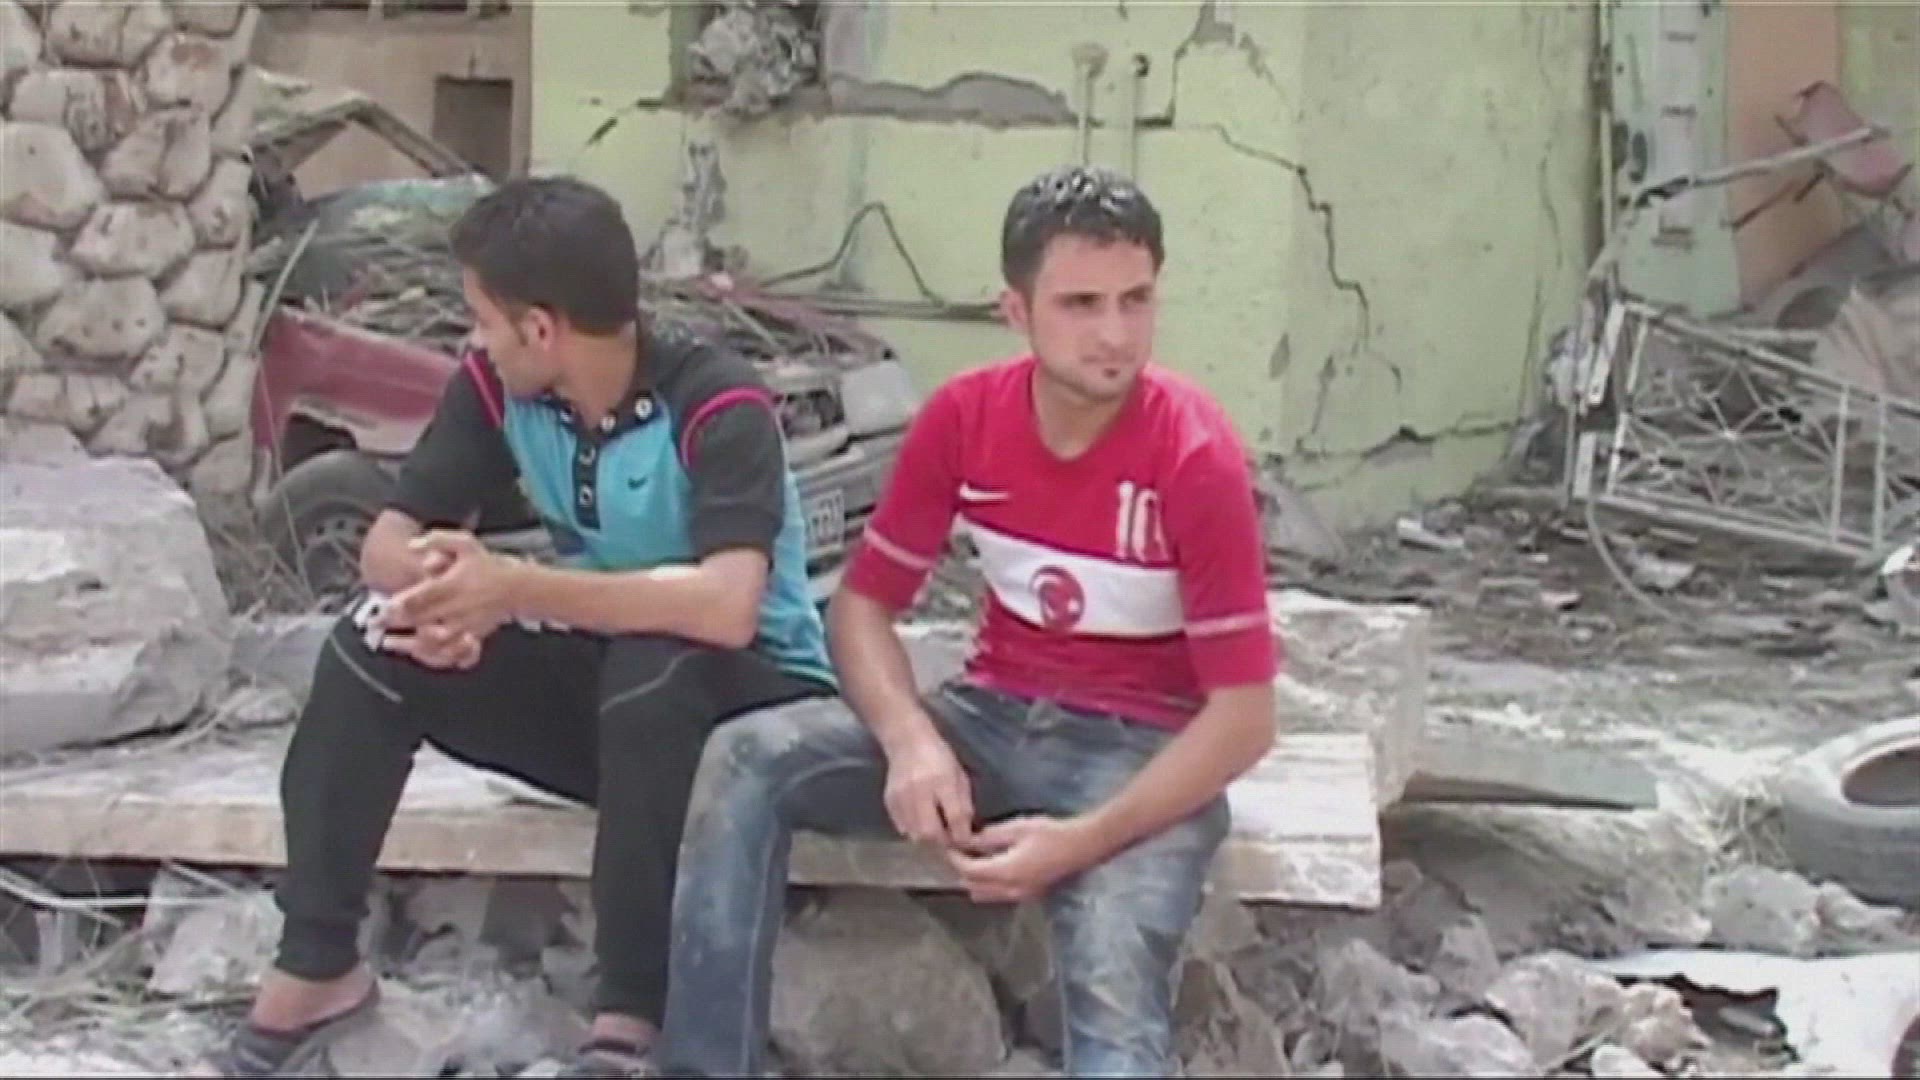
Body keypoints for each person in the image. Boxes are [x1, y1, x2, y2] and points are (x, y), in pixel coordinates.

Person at [199, 176, 835, 1079]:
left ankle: (632, 1015)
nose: (475, 341)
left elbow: (728, 606)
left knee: (654, 667)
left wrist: (515, 589)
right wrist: (442, 599)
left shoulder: (718, 403)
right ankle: (315, 967)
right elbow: (388, 538)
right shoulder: (499, 392)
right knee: (373, 642)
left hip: (751, 704)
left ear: (541, 329)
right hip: (617, 704)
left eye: (484, 320)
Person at [656, 164, 1281, 1078]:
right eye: (1080, 304)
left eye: (1136, 299)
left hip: (1141, 754)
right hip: (988, 718)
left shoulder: (1195, 453)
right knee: (746, 756)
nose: (1115, 334)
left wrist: (1080, 843)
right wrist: (910, 740)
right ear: (1015, 311)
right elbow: (863, 608)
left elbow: (1245, 718)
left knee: (1112, 968)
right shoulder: (965, 418)